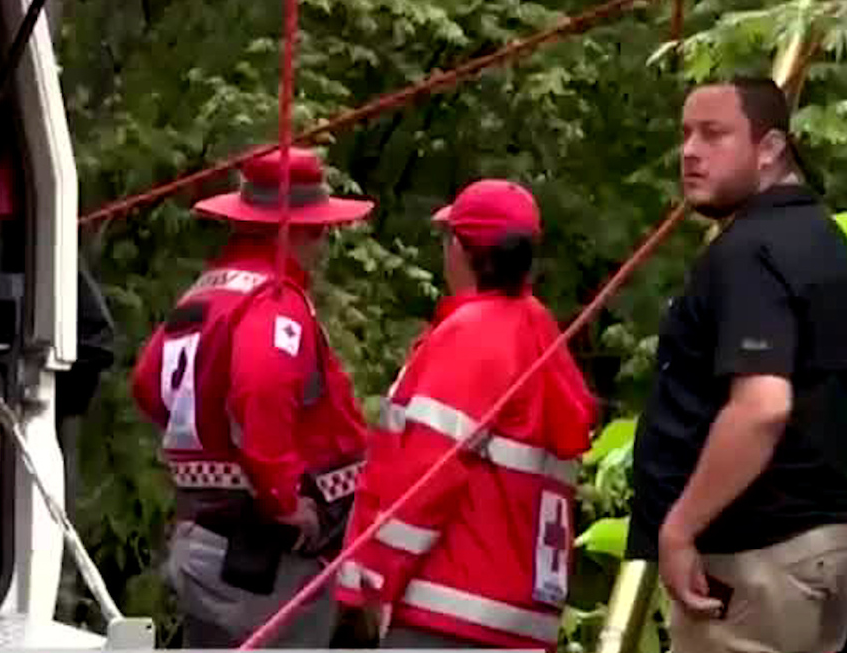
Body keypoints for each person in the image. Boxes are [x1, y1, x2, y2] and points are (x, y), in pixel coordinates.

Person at [626, 76, 847, 653]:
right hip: (824, 549)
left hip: (758, 563)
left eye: (714, 134)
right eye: (686, 135)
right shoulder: (825, 244)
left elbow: (762, 407)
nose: (690, 152)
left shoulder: (750, 250)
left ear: (770, 148)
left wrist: (679, 529)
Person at [334, 179, 597, 651]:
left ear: (459, 247)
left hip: (446, 610)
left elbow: (422, 480)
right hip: (520, 620)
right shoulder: (541, 334)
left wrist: (370, 582)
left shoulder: (473, 336)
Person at [131, 147, 373, 648]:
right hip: (265, 552)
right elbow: (260, 388)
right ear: (286, 230)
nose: (323, 242)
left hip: (206, 539)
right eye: (316, 228)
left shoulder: (202, 296)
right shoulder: (274, 301)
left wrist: (208, 449)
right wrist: (283, 497)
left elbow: (148, 386)